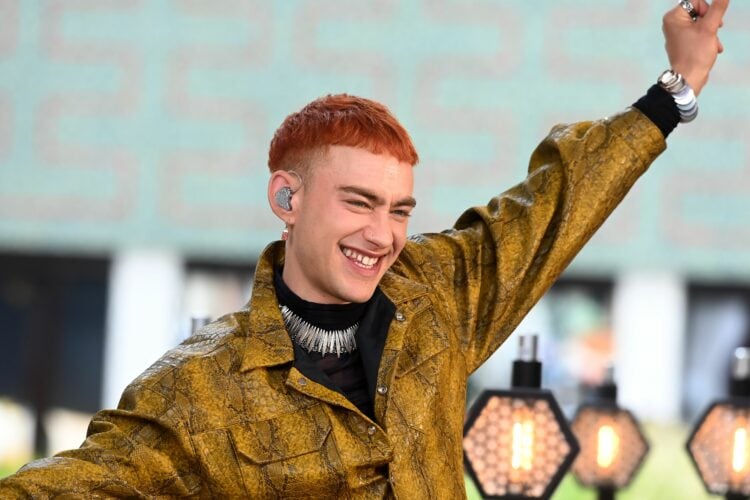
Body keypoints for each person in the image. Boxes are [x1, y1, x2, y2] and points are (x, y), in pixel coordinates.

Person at [0, 0, 729, 498]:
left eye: (399, 210)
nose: (382, 235)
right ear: (287, 199)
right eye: (358, 203)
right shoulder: (199, 389)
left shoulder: (436, 296)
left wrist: (676, 89)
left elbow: (553, 205)